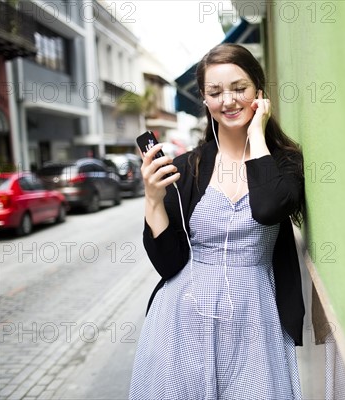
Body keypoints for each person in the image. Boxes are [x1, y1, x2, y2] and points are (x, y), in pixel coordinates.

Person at [128, 43, 306, 399]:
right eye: (215, 92)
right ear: (205, 101)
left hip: (255, 317)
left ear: (259, 90)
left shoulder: (285, 163)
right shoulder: (187, 168)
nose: (228, 101)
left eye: (239, 88)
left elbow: (269, 207)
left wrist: (256, 134)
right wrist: (153, 198)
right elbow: (169, 262)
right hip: (183, 319)